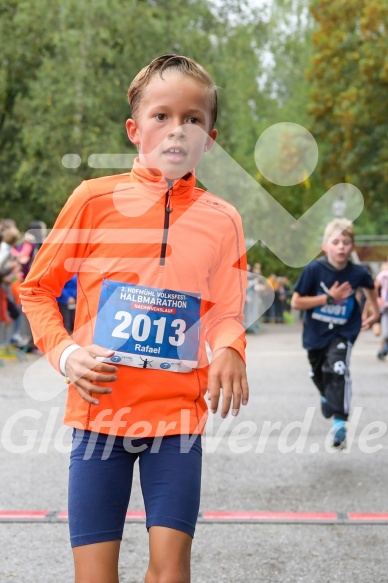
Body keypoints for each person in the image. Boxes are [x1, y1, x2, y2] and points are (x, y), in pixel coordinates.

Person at [20, 54, 248, 583]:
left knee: (171, 574)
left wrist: (232, 347)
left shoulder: (223, 219)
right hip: (101, 416)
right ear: (134, 129)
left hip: (177, 422)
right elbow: (36, 288)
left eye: (194, 119)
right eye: (162, 116)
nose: (177, 129)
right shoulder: (93, 200)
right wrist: (67, 353)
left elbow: (227, 311)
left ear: (210, 138)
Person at [291, 218, 379, 449]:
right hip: (315, 334)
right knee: (319, 373)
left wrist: (375, 312)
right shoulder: (313, 270)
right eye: (336, 242)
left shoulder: (358, 272)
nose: (341, 247)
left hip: (344, 331)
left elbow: (370, 288)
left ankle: (340, 424)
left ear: (352, 247)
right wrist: (329, 298)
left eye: (346, 242)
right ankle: (325, 395)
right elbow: (297, 302)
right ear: (325, 246)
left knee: (338, 368)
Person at [375, 262, 388, 360]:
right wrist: (378, 299)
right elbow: (373, 288)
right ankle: (383, 350)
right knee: (385, 334)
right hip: (385, 309)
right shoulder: (383, 276)